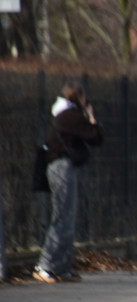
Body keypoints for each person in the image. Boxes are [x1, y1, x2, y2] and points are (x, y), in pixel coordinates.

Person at [33, 82, 103, 284]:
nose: (85, 101)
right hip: (62, 168)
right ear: (76, 98)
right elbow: (96, 136)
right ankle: (45, 265)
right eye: (82, 97)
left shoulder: (61, 114)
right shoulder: (69, 117)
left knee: (67, 218)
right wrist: (90, 116)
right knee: (62, 217)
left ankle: (62, 267)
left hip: (61, 167)